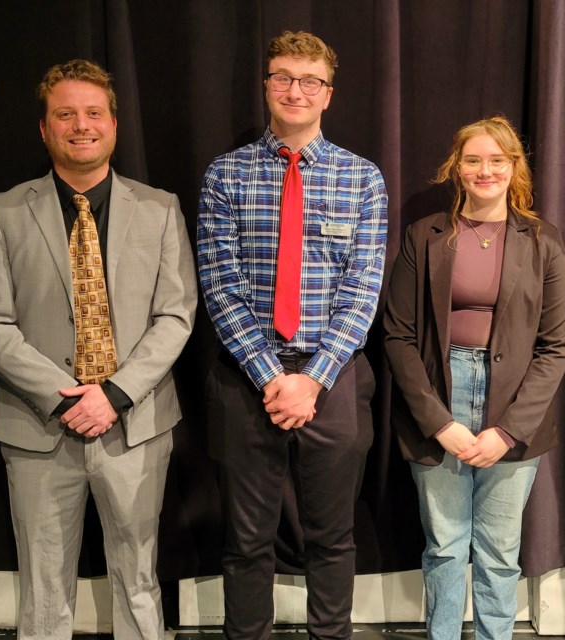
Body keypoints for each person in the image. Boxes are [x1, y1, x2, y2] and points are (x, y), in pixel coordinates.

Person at [0, 60, 197, 640]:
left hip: (135, 424)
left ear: (114, 125)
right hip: (39, 426)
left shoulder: (161, 208)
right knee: (43, 592)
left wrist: (113, 395)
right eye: (64, 114)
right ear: (44, 129)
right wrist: (63, 395)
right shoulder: (3, 212)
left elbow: (175, 315)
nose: (81, 125)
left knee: (139, 581)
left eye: (93, 113)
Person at [196, 31, 388, 640]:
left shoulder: (363, 179)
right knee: (247, 540)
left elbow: (364, 289)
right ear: (266, 87)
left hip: (332, 382)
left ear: (328, 94)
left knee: (332, 538)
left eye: (309, 81)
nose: (294, 90)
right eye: (282, 77)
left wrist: (313, 378)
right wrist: (272, 376)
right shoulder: (226, 175)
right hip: (246, 379)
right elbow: (219, 285)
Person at [383, 116, 565, 640]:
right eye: (473, 159)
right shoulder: (424, 237)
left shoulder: (543, 241)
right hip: (439, 399)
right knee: (444, 546)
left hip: (514, 406)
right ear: (456, 166)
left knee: (498, 550)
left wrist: (510, 430)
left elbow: (556, 347)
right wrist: (438, 423)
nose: (484, 170)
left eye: (497, 159)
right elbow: (398, 336)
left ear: (514, 167)